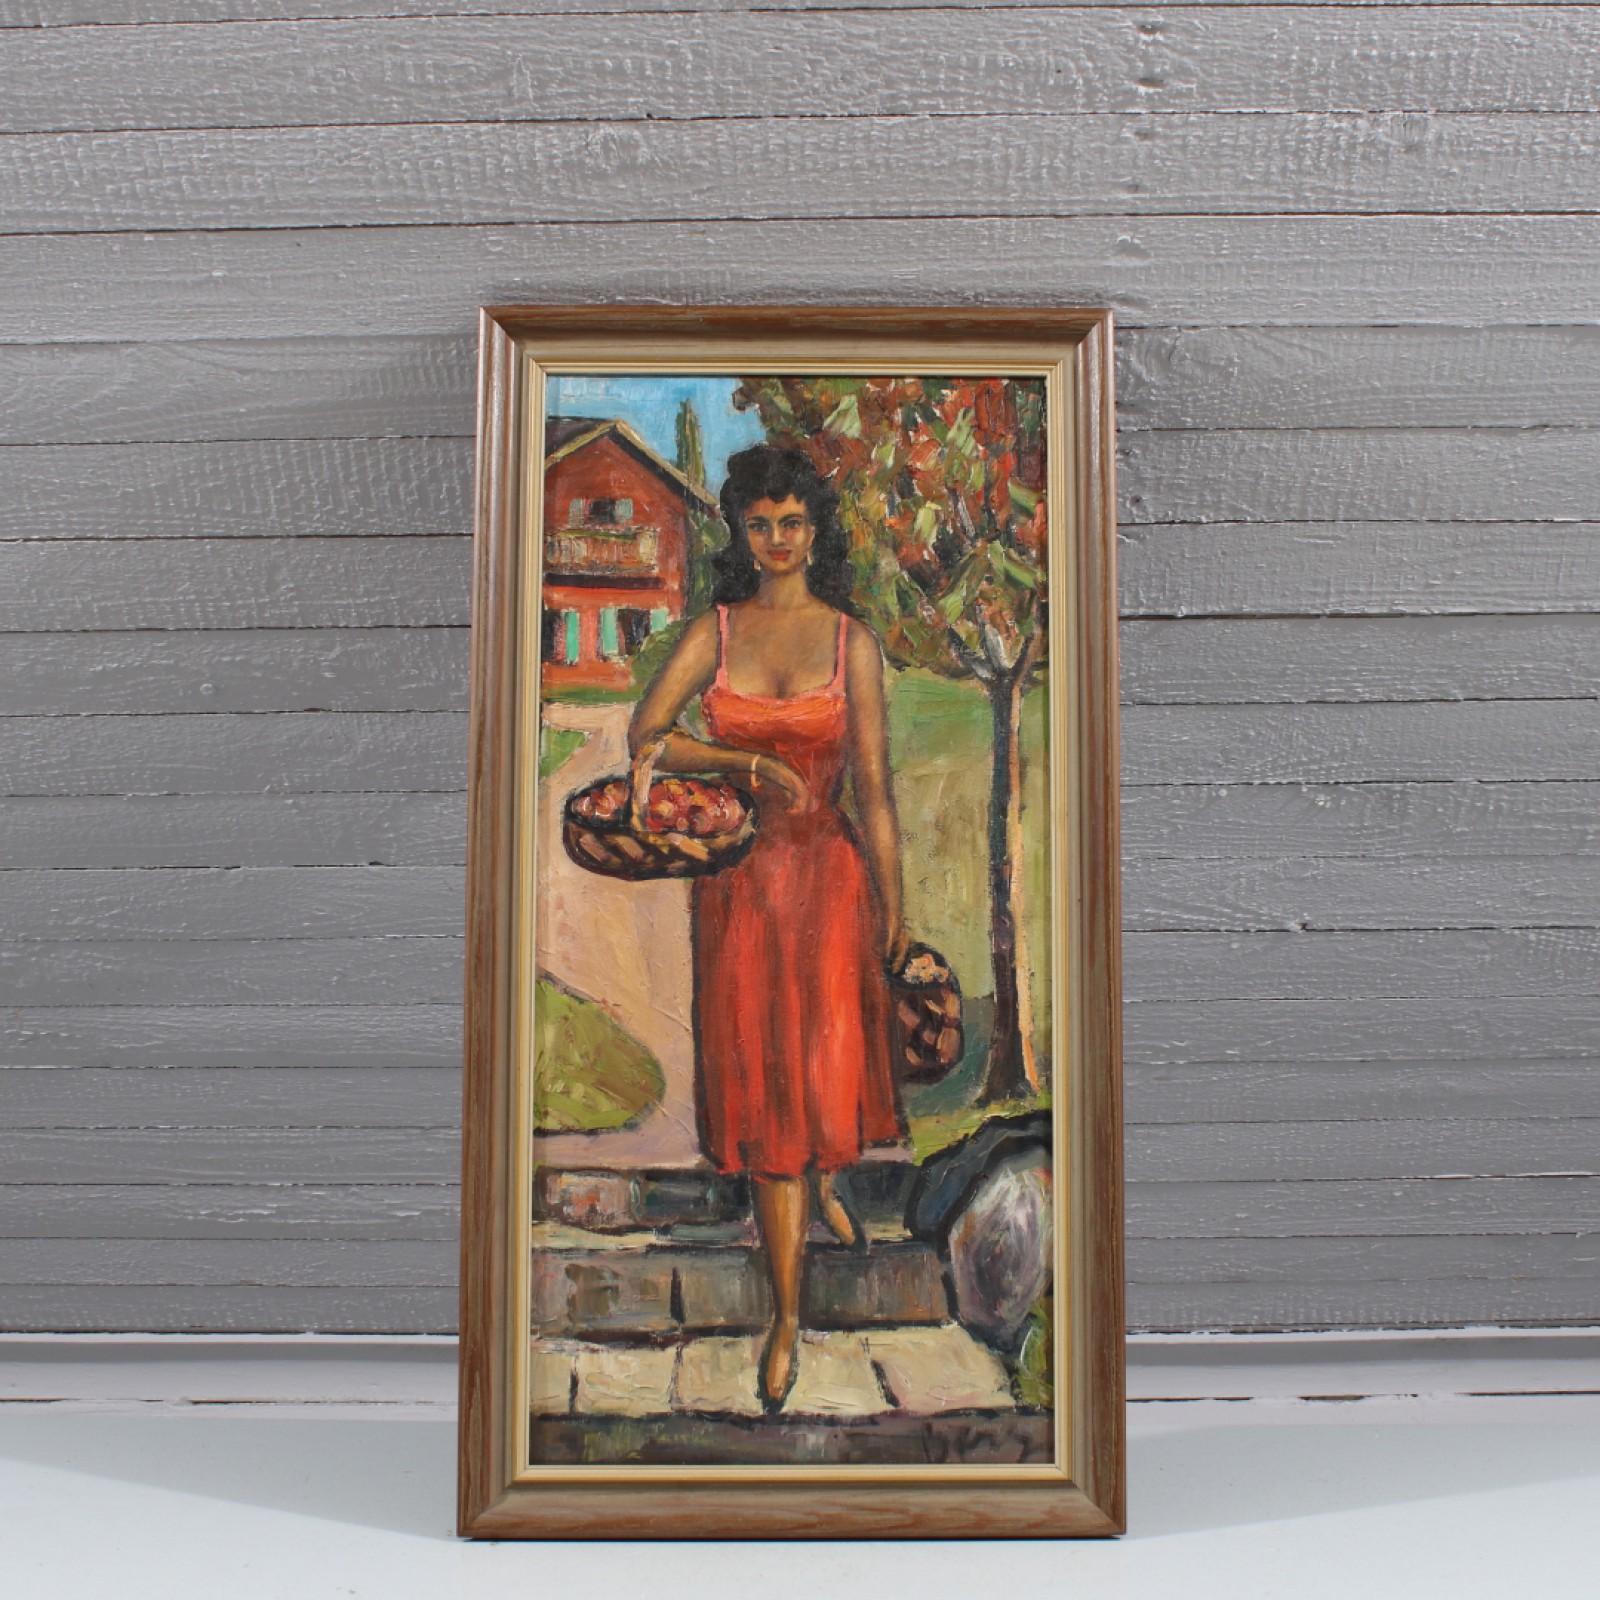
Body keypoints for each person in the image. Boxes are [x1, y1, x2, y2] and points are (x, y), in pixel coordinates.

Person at [628, 444, 909, 1414]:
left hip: (829, 888)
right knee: (769, 1101)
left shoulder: (851, 642)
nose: (777, 540)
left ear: (814, 528)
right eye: (760, 524)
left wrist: (897, 908)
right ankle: (786, 1316)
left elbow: (874, 789)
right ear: (740, 533)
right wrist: (745, 766)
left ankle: (826, 1186)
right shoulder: (715, 631)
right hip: (742, 891)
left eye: (792, 522)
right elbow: (646, 736)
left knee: (821, 1071)